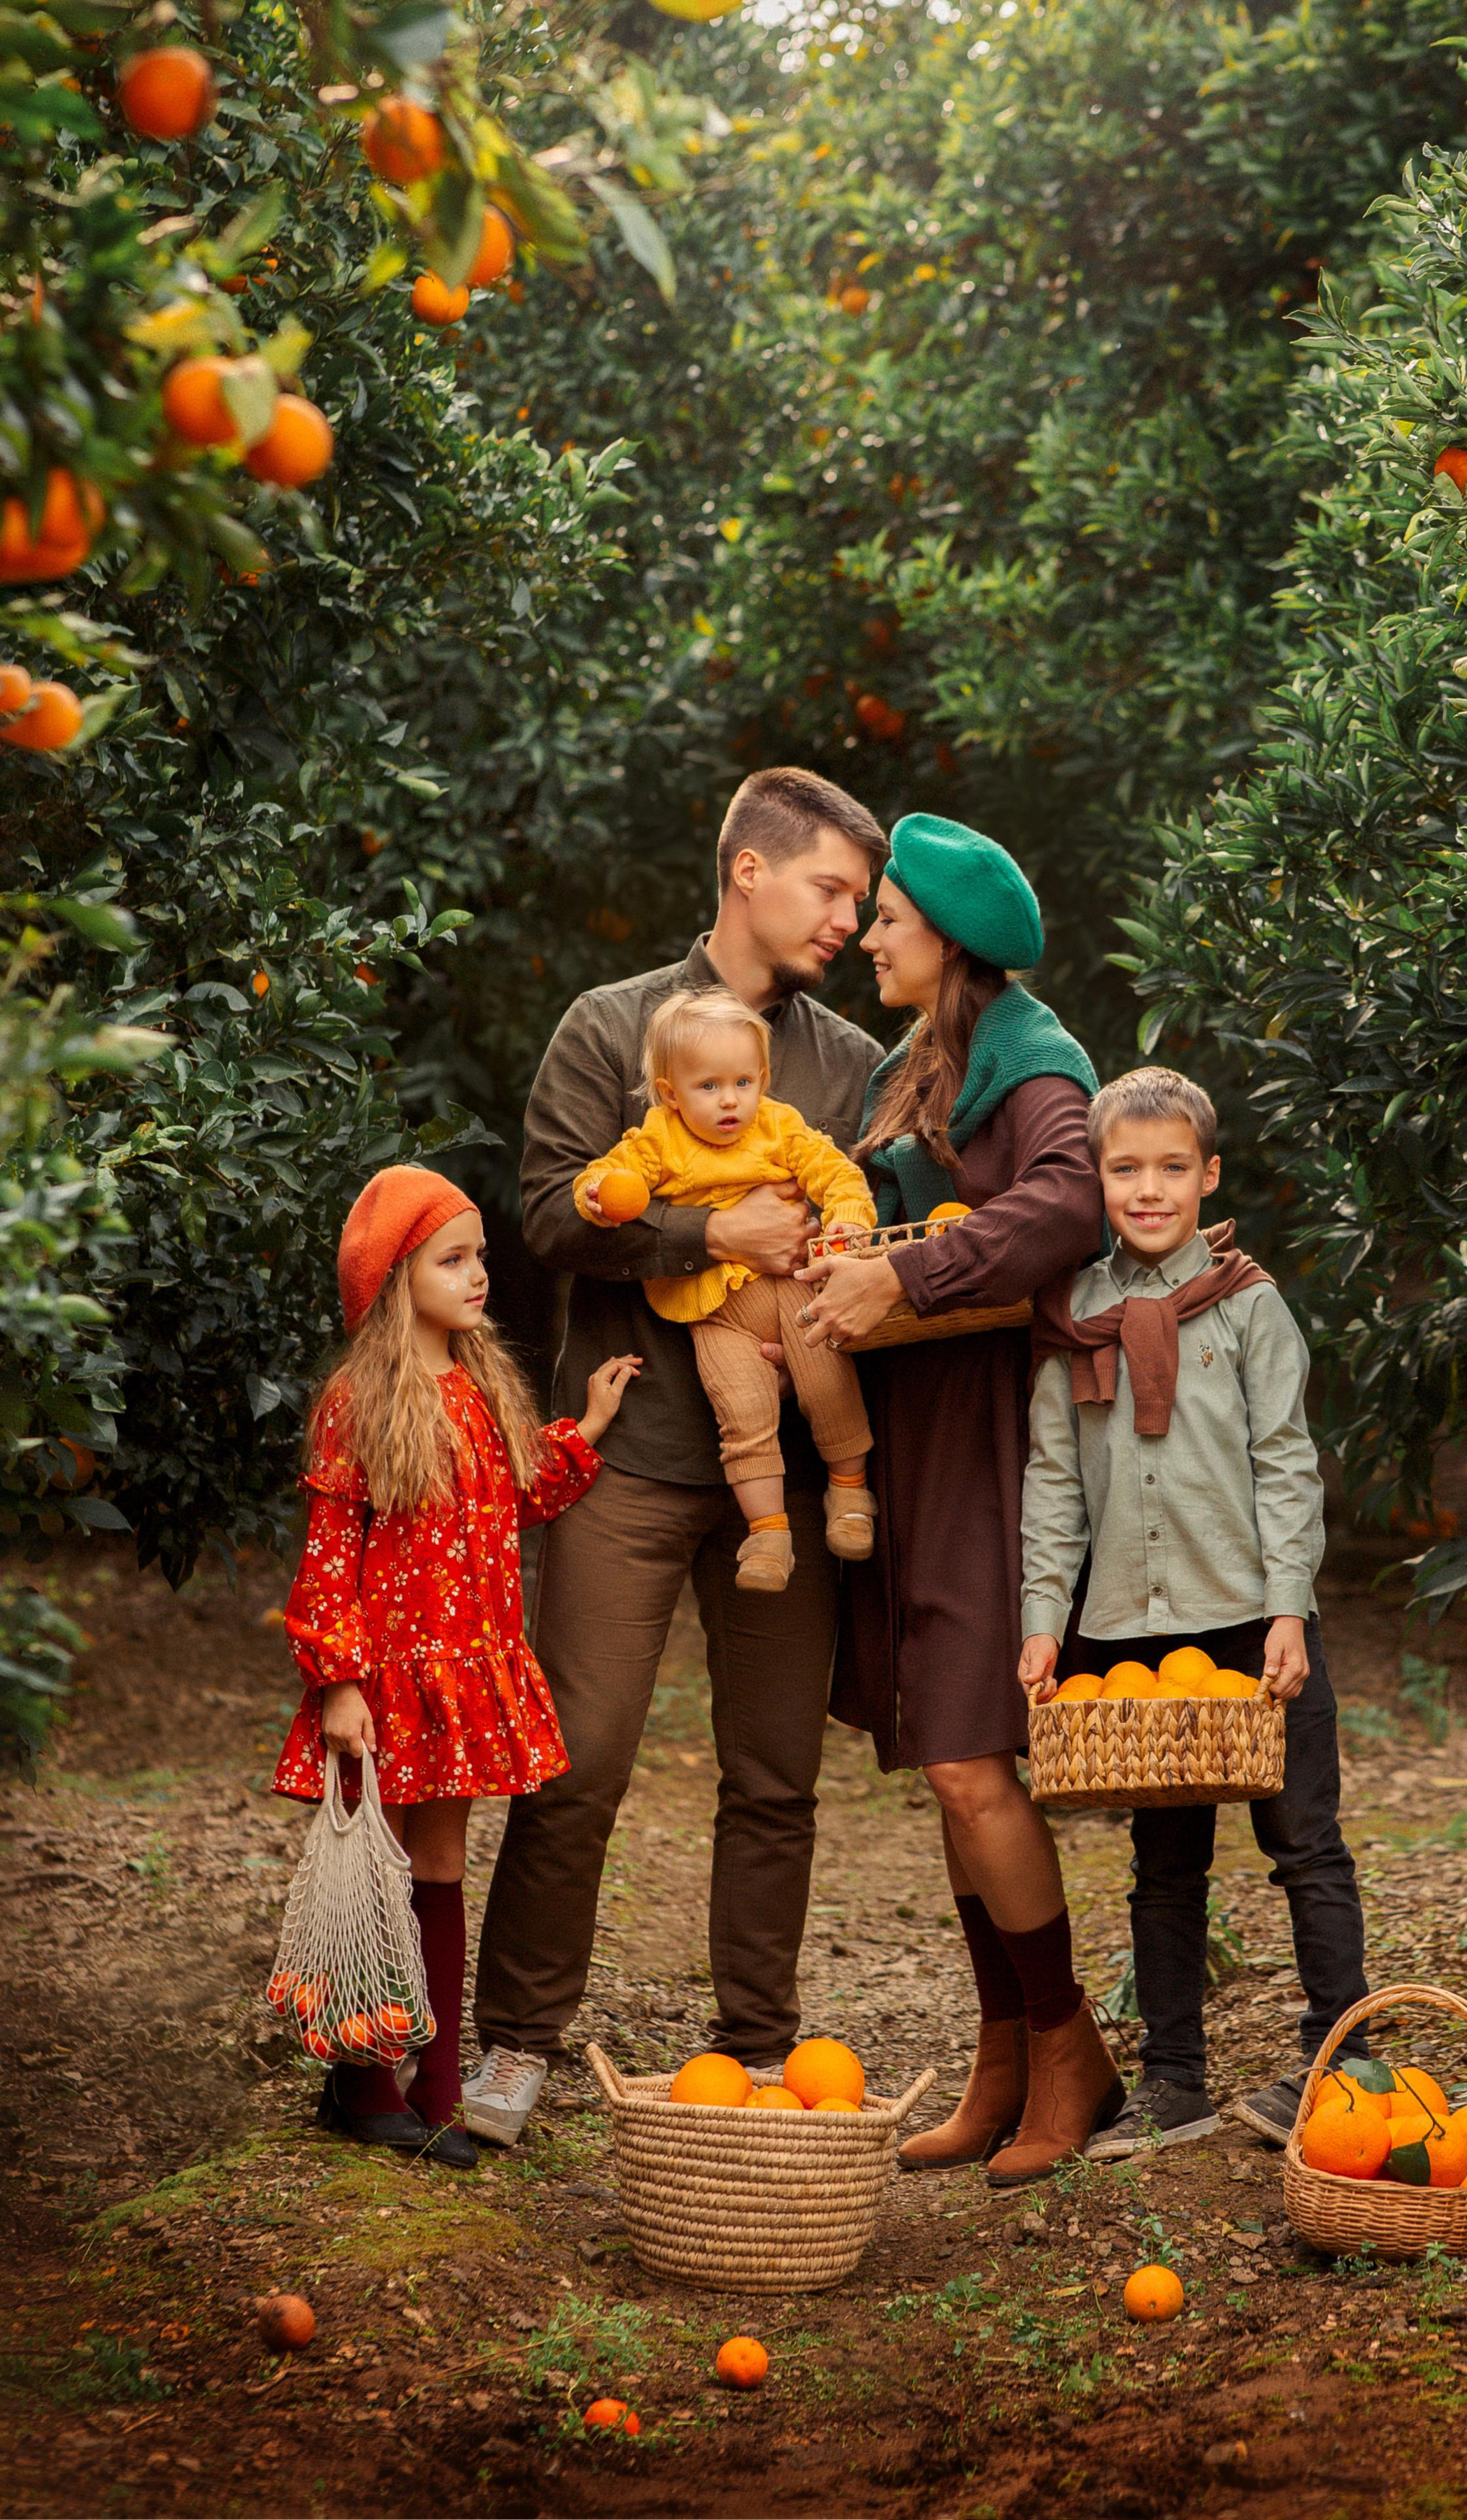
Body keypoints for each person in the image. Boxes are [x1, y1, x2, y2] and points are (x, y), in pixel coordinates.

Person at [468, 767, 887, 2147]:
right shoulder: (607, 1030)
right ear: (748, 873)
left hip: (787, 1483)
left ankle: (754, 2052)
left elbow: (876, 1230)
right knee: (576, 1760)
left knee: (773, 1773)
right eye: (830, 889)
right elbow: (541, 1214)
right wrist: (708, 1238)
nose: (848, 918)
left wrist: (833, 1267)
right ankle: (518, 2044)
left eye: (861, 900)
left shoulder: (844, 1065)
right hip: (635, 1459)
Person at [794, 812, 1118, 2189]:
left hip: (997, 1436)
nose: (870, 935)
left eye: (889, 918)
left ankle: (1067, 2047)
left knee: (973, 1754)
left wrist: (910, 1276)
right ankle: (1002, 2047)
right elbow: (878, 1213)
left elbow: (1070, 1205)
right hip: (913, 1434)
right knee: (943, 1751)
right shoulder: (903, 1068)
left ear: (950, 938)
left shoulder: (1035, 1064)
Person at [1021, 1065, 1370, 2157]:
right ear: (1098, 1179)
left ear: (1207, 1174)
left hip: (1251, 1615)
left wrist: (1285, 1607)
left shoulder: (1251, 1306)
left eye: (1173, 1168)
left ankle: (1340, 2052)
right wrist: (1045, 1618)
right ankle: (1176, 2081)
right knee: (1164, 1864)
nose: (1150, 1189)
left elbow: (1285, 1465)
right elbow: (1053, 1479)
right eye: (1126, 1169)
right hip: (1131, 1632)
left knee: (1303, 1840)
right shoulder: (1077, 1313)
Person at [273, 1165, 638, 2167]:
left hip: (466, 1675)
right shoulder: (359, 1403)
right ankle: (362, 2078)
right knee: (376, 1873)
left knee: (437, 1869)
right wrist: (339, 1680)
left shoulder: (478, 1389)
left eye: (480, 1254)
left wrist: (585, 1434)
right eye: (455, 1258)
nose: (480, 1275)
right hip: (388, 1680)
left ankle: (432, 2085)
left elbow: (506, 1501)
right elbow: (328, 1555)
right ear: (397, 1278)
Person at [573, 985, 879, 1593]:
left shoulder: (779, 1125)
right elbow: (613, 1173)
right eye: (708, 1087)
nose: (730, 1100)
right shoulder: (662, 1136)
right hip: (716, 1309)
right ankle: (768, 1533)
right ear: (670, 1094)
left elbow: (836, 1170)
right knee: (742, 1413)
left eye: (744, 1082)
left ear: (762, 1079)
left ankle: (850, 1494)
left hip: (792, 1288)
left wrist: (847, 1216)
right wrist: (600, 1195)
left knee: (827, 1381)